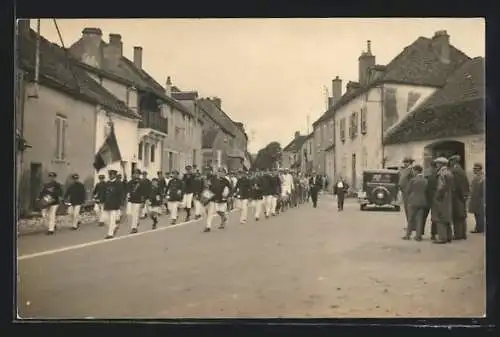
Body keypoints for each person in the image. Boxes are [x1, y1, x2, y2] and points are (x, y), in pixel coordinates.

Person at [431, 157, 454, 244]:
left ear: (441, 164)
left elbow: (441, 187)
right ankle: (449, 236)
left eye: (437, 163)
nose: (436, 165)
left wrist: (437, 197)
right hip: (448, 197)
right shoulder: (449, 172)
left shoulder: (441, 173)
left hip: (442, 197)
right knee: (447, 216)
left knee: (440, 217)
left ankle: (442, 237)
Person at [403, 165, 428, 241]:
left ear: (416, 171)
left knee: (410, 219)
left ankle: (408, 235)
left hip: (413, 201)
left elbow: (407, 191)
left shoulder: (412, 180)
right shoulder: (425, 180)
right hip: (422, 201)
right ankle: (418, 236)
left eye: (414, 170)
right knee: (419, 219)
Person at [448, 155, 470, 240]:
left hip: (457, 196)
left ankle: (458, 235)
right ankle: (463, 233)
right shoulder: (461, 170)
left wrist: (460, 195)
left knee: (457, 215)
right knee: (462, 215)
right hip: (462, 196)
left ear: (454, 161)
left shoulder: (455, 171)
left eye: (451, 160)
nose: (450, 162)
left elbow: (457, 185)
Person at [204, 168, 232, 232]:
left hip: (221, 199)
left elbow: (230, 189)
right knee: (210, 212)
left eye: (223, 172)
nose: (222, 174)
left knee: (219, 211)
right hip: (212, 198)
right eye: (220, 172)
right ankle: (208, 227)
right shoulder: (213, 179)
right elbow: (208, 187)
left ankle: (223, 218)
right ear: (218, 173)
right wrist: (205, 198)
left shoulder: (226, 181)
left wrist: (229, 196)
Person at [103, 170, 125, 239]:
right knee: (105, 219)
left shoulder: (118, 183)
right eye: (110, 175)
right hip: (107, 203)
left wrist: (121, 203)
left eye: (112, 175)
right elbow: (105, 193)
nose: (111, 176)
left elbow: (122, 194)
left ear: (115, 175)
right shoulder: (107, 183)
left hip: (114, 203)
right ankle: (114, 226)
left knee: (112, 219)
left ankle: (110, 234)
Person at [126, 169, 147, 234]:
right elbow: (127, 189)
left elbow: (144, 192)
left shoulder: (141, 182)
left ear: (139, 174)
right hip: (130, 200)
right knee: (128, 213)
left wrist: (143, 202)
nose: (136, 175)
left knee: (135, 214)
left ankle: (134, 228)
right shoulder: (130, 182)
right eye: (134, 173)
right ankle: (135, 222)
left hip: (138, 200)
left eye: (137, 173)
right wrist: (128, 193)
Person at [422, 162, 438, 240]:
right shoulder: (437, 175)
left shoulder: (427, 174)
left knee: (423, 216)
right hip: (434, 199)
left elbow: (424, 187)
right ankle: (433, 234)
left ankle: (420, 232)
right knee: (434, 217)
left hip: (427, 198)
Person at [399, 156, 415, 231]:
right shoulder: (404, 170)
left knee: (409, 209)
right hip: (404, 191)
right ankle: (410, 224)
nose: (405, 163)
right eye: (404, 162)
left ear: (410, 163)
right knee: (406, 209)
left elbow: (412, 181)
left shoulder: (411, 170)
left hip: (409, 192)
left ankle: (411, 225)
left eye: (406, 162)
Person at [469, 163, 485, 234]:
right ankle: (478, 227)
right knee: (477, 214)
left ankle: (480, 228)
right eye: (474, 168)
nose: (474, 170)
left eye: (475, 169)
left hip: (479, 199)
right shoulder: (477, 177)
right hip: (475, 198)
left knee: (479, 214)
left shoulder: (481, 178)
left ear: (479, 169)